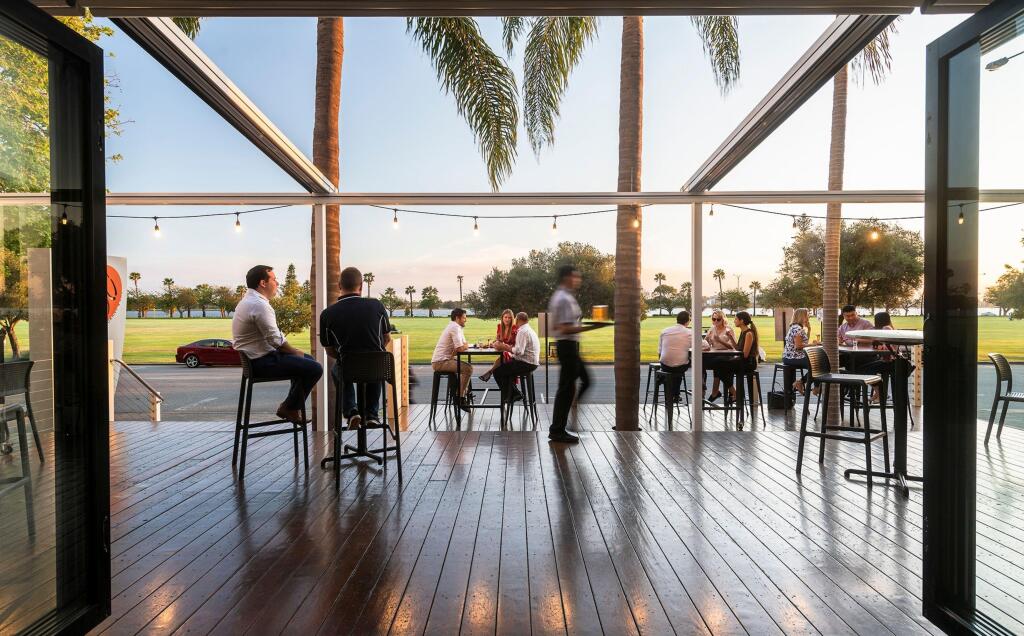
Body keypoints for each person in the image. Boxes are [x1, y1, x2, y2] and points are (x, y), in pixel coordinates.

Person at [232, 265, 323, 425]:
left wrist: (296, 352)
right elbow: (276, 340)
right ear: (263, 283)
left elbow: (275, 336)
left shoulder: (248, 301)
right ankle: (289, 408)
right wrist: (295, 352)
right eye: (274, 279)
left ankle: (291, 407)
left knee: (307, 361)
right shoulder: (259, 305)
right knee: (315, 368)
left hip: (256, 359)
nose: (277, 283)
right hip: (261, 362)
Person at [319, 266, 392, 429]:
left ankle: (351, 411)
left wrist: (347, 358)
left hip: (348, 368)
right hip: (377, 367)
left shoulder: (327, 314)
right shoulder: (377, 306)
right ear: (361, 286)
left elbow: (329, 350)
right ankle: (372, 415)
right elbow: (387, 338)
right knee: (376, 361)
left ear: (339, 286)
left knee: (337, 369)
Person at [548, 264, 607, 443]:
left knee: (580, 383)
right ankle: (557, 430)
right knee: (566, 389)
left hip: (569, 346)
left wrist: (590, 325)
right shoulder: (564, 299)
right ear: (567, 277)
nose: (578, 280)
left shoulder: (563, 297)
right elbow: (564, 328)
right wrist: (593, 326)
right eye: (576, 276)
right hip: (567, 345)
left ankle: (561, 424)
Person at [492, 312, 540, 403]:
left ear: (517, 320)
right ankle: (512, 394)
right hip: (531, 362)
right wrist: (509, 350)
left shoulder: (522, 331)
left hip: (527, 364)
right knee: (504, 367)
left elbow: (519, 351)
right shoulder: (528, 329)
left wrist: (505, 347)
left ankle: (514, 394)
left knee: (497, 371)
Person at [431, 308, 473, 411]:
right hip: (440, 362)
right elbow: (460, 348)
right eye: (464, 318)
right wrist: (465, 346)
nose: (466, 320)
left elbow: (462, 346)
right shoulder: (455, 327)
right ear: (458, 318)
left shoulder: (456, 327)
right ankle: (460, 399)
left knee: (467, 367)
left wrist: (464, 346)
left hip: (445, 360)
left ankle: (461, 395)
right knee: (468, 369)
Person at [658, 310, 693, 404]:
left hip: (664, 364)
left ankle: (672, 394)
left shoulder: (665, 331)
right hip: (680, 367)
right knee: (682, 365)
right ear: (688, 321)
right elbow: (704, 346)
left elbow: (660, 351)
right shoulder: (689, 333)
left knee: (674, 367)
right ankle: (675, 394)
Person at [704, 309, 737, 401]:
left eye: (718, 319)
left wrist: (720, 340)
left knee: (718, 364)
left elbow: (733, 346)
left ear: (723, 319)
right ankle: (710, 390)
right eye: (713, 319)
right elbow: (706, 344)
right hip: (715, 354)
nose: (715, 321)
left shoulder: (728, 329)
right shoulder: (712, 329)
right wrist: (707, 340)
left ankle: (716, 392)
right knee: (703, 361)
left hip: (727, 354)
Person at [783, 308, 817, 394]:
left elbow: (804, 342)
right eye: (807, 316)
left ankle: (806, 384)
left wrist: (809, 329)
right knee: (818, 365)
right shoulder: (797, 329)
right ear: (802, 316)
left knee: (818, 364)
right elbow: (798, 346)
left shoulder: (796, 327)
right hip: (793, 357)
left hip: (791, 357)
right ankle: (807, 384)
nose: (809, 317)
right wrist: (813, 345)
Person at [479, 308, 517, 383]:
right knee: (503, 354)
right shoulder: (500, 326)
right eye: (505, 317)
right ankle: (493, 374)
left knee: (504, 354)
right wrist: (495, 342)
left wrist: (501, 345)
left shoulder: (514, 327)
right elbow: (498, 339)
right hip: (503, 350)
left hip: (512, 351)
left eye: (509, 318)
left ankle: (490, 372)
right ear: (502, 318)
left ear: (512, 319)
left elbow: (516, 343)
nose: (507, 319)